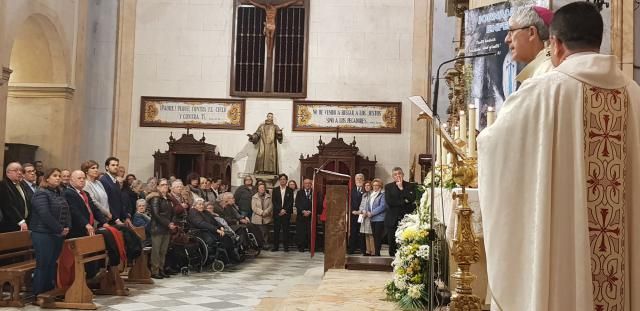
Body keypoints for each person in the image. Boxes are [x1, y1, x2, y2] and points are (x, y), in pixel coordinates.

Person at [478, 3, 640, 310]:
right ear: (598, 40)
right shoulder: (633, 93)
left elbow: (493, 146)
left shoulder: (544, 90)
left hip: (564, 252)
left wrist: (482, 140)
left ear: (556, 44)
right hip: (618, 262)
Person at [29, 168, 70, 296]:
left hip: (56, 234)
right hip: (42, 233)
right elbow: (44, 214)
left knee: (52, 263)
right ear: (47, 178)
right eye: (55, 175)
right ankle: (38, 293)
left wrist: (67, 226)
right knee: (43, 263)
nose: (58, 178)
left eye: (59, 175)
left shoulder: (58, 192)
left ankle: (48, 292)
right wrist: (59, 229)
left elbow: (67, 210)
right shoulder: (41, 193)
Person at [505, 6, 554, 85]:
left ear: (531, 32)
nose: (507, 39)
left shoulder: (545, 74)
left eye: (511, 31)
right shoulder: (543, 69)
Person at [64, 170, 109, 238]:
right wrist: (86, 224)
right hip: (77, 230)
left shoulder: (86, 193)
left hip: (89, 228)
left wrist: (104, 222)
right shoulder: (68, 193)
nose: (82, 180)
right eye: (79, 178)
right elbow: (74, 211)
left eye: (84, 178)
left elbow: (94, 209)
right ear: (71, 179)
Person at [146, 179, 176, 279]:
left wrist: (172, 222)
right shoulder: (156, 198)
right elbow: (156, 214)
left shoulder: (168, 198)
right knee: (156, 251)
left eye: (166, 185)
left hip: (166, 228)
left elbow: (172, 212)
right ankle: (155, 271)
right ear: (158, 187)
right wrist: (168, 224)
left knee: (163, 250)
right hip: (157, 228)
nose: (165, 186)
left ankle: (161, 269)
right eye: (162, 185)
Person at [384, 167, 416, 257]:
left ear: (403, 174)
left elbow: (411, 199)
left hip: (405, 217)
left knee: (405, 240)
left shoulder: (410, 186)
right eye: (395, 174)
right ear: (393, 176)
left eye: (399, 173)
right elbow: (389, 202)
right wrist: (404, 201)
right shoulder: (388, 187)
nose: (398, 175)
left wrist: (401, 188)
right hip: (392, 218)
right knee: (392, 241)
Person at [99, 157, 131, 226]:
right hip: (110, 218)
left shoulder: (115, 181)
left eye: (117, 165)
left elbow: (120, 201)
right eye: (113, 165)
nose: (116, 167)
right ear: (107, 167)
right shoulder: (104, 180)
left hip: (118, 217)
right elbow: (106, 202)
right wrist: (116, 219)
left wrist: (126, 217)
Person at [0, 162, 30, 232]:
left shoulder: (21, 185)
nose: (19, 173)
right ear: (8, 173)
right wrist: (21, 221)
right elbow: (8, 206)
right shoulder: (3, 185)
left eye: (21, 170)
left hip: (24, 223)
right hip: (10, 225)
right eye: (16, 170)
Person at [270, 174, 293, 251]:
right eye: (281, 179)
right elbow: (274, 201)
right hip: (277, 213)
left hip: (286, 214)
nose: (283, 180)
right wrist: (280, 210)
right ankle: (275, 247)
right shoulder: (275, 190)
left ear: (286, 180)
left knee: (286, 230)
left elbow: (291, 202)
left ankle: (286, 247)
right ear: (279, 180)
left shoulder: (290, 190)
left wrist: (284, 210)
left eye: (284, 179)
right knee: (276, 230)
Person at [251, 183, 273, 250]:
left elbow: (271, 206)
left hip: (266, 217)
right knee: (259, 232)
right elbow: (253, 207)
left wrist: (265, 212)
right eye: (260, 188)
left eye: (263, 188)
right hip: (257, 217)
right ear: (258, 189)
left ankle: (266, 244)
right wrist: (261, 212)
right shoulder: (254, 197)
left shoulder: (269, 196)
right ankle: (260, 245)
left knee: (265, 232)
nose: (262, 189)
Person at [368, 179, 386, 256]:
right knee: (374, 236)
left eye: (377, 185)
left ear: (380, 186)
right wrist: (367, 212)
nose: (375, 187)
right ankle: (376, 251)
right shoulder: (371, 194)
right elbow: (369, 205)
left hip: (380, 218)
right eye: (374, 185)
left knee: (378, 236)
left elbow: (382, 206)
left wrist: (372, 213)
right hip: (372, 219)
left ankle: (377, 252)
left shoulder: (383, 194)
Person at [295, 178, 313, 252]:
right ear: (303, 184)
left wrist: (310, 211)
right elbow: (297, 203)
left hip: (310, 216)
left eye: (309, 183)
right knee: (301, 232)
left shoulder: (314, 193)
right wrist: (303, 211)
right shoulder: (299, 192)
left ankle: (310, 247)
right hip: (301, 216)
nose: (307, 184)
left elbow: (317, 204)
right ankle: (301, 247)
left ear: (311, 184)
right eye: (306, 183)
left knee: (309, 232)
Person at [348, 173, 365, 254]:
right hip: (353, 214)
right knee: (353, 231)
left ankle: (362, 249)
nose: (359, 180)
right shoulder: (352, 190)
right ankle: (352, 249)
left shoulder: (366, 190)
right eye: (357, 178)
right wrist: (352, 211)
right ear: (354, 181)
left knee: (362, 232)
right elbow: (349, 202)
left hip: (363, 214)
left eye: (360, 178)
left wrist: (361, 211)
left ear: (363, 180)